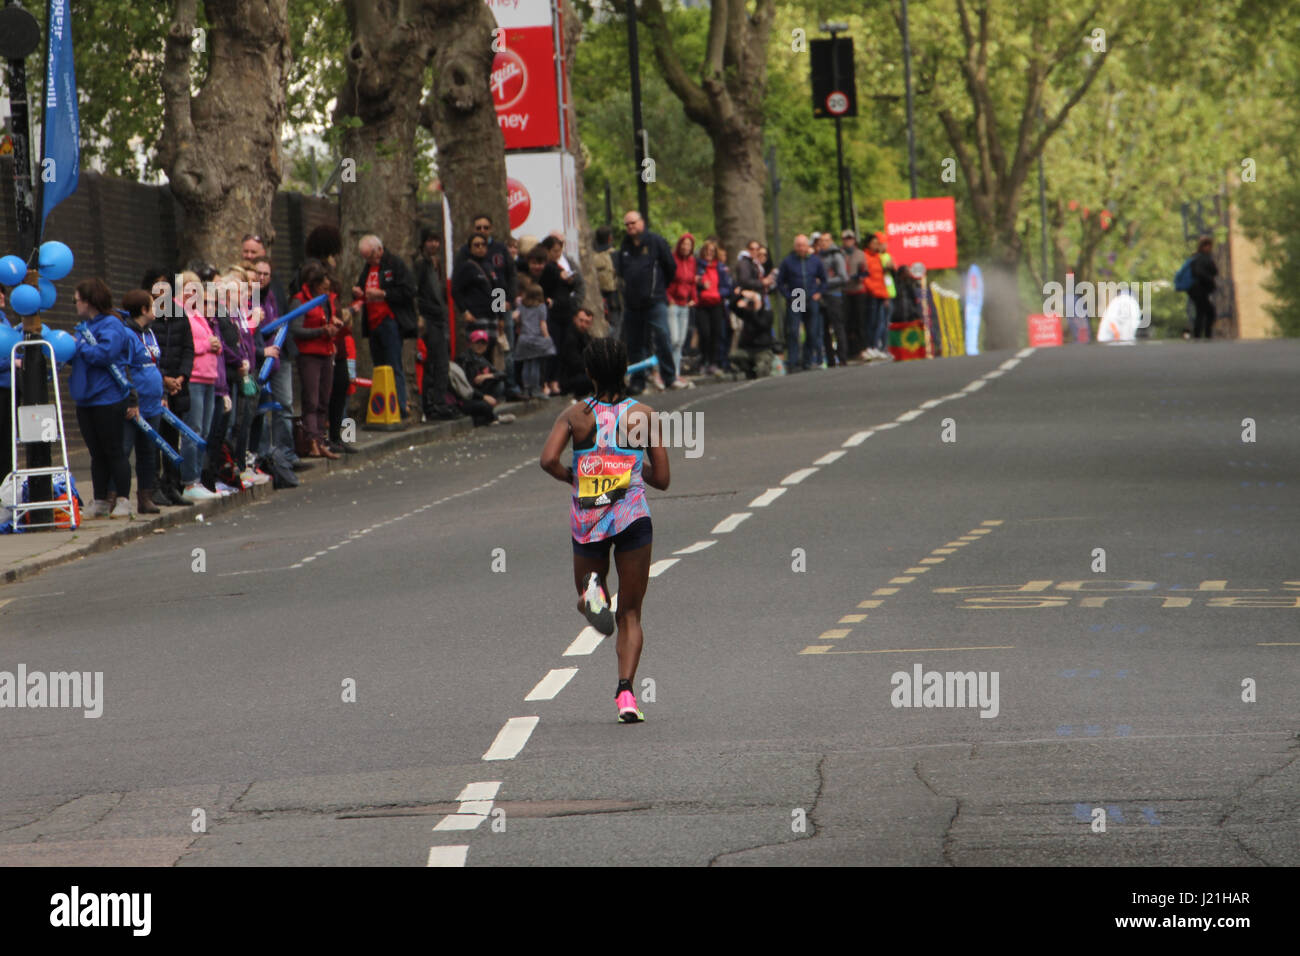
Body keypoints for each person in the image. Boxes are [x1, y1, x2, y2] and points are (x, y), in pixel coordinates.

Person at [539, 336, 670, 723]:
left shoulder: (575, 415)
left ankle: (590, 593)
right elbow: (662, 478)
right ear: (625, 369)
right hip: (631, 516)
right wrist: (630, 470)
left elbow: (547, 459)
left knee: (591, 592)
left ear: (590, 372)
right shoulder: (643, 416)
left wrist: (573, 478)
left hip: (589, 518)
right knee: (630, 612)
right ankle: (626, 694)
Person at [69, 278, 137, 517]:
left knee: (113, 450)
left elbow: (105, 354)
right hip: (86, 398)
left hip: (108, 397)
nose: (75, 304)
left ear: (88, 301)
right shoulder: (84, 326)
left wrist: (78, 348)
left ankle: (123, 499)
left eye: (77, 300)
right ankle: (99, 500)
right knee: (96, 453)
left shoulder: (112, 324)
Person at [352, 234, 417, 422]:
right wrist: (357, 291)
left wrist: (384, 294)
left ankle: (401, 406)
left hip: (389, 320)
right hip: (372, 323)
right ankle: (382, 406)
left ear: (379, 250)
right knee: (379, 365)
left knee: (394, 364)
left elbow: (408, 290)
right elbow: (361, 286)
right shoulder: (368, 267)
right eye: (365, 258)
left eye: (371, 256)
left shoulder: (394, 264)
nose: (369, 260)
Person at [615, 210, 678, 394]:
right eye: (627, 224)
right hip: (632, 303)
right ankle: (638, 381)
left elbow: (670, 268)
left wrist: (658, 289)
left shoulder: (656, 242)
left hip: (655, 301)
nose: (630, 227)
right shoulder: (625, 246)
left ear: (641, 222)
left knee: (662, 336)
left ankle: (669, 377)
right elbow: (621, 271)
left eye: (633, 223)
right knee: (635, 344)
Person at [116, 290, 166, 514]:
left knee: (149, 453)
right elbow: (123, 368)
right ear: (143, 310)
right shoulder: (127, 335)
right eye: (152, 306)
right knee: (124, 450)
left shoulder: (150, 333)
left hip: (153, 404)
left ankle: (145, 497)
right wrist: (131, 399)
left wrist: (163, 394)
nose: (156, 309)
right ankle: (117, 498)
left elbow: (155, 365)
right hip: (134, 405)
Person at [291, 262, 344, 460]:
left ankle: (321, 440)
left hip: (327, 351)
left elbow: (326, 319)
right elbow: (296, 329)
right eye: (323, 285)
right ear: (313, 284)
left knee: (324, 399)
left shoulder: (326, 299)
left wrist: (333, 325)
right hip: (309, 355)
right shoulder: (300, 301)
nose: (327, 288)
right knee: (311, 399)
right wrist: (321, 331)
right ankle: (311, 440)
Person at [413, 226, 457, 421]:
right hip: (430, 318)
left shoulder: (434, 263)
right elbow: (416, 291)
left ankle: (439, 402)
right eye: (430, 240)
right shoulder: (421, 264)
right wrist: (420, 315)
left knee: (441, 362)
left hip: (438, 317)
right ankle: (434, 404)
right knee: (435, 362)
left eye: (436, 241)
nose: (434, 244)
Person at [777, 234, 827, 370]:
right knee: (793, 331)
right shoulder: (788, 261)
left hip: (811, 297)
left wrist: (819, 292)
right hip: (796, 296)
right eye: (799, 245)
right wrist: (788, 296)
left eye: (803, 245)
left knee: (811, 331)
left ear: (807, 246)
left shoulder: (815, 261)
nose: (801, 248)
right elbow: (780, 282)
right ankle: (793, 362)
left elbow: (824, 279)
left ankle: (807, 360)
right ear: (795, 247)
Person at [513, 281, 557, 398]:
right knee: (536, 365)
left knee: (526, 364)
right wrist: (547, 338)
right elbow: (543, 324)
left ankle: (526, 389)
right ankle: (536, 389)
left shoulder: (522, 306)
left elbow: (516, 317)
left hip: (524, 338)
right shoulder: (541, 307)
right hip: (537, 339)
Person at [666, 232, 697, 380]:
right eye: (684, 244)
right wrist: (669, 298)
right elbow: (666, 280)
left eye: (689, 245)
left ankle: (676, 372)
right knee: (674, 339)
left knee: (681, 342)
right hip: (673, 304)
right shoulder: (673, 259)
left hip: (685, 304)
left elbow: (691, 282)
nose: (686, 247)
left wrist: (694, 298)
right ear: (679, 245)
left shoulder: (691, 261)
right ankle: (667, 371)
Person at [816, 232, 849, 367]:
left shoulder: (836, 256)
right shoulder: (817, 257)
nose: (823, 243)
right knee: (823, 329)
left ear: (831, 241)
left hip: (834, 296)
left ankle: (842, 357)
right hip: (821, 297)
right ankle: (829, 359)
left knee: (838, 327)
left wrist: (824, 283)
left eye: (826, 240)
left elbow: (843, 277)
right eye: (821, 241)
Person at [556, 307, 597, 398]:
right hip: (569, 378)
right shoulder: (570, 337)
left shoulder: (586, 337)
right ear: (575, 319)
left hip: (581, 374)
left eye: (587, 322)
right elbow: (574, 362)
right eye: (581, 320)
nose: (583, 324)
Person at [592, 225, 621, 338]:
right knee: (615, 326)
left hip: (596, 298)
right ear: (610, 238)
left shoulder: (592, 256)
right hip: (613, 298)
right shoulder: (614, 254)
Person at [1190, 235, 1218, 339]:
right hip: (1200, 289)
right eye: (1209, 246)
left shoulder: (1196, 257)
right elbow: (1200, 272)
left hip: (1198, 290)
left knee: (1201, 312)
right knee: (1209, 312)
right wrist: (1209, 278)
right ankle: (1205, 335)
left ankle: (1200, 335)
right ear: (1205, 246)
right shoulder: (1201, 258)